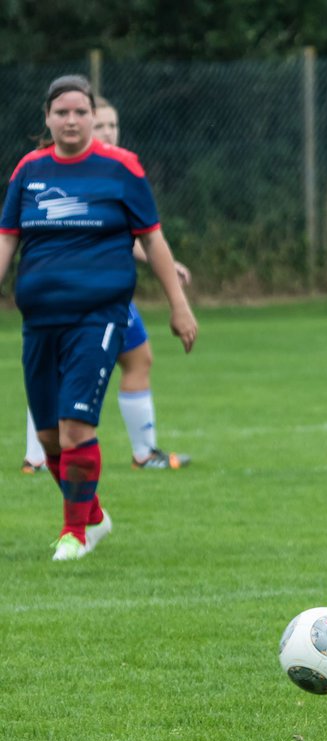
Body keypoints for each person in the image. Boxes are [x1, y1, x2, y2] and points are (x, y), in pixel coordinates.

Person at [0, 75, 197, 560]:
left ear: (93, 116)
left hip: (99, 315)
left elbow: (152, 239)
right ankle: (93, 516)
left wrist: (179, 304)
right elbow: (7, 238)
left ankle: (75, 533)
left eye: (80, 112)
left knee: (75, 428)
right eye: (61, 112)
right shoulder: (28, 170)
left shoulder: (121, 169)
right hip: (40, 319)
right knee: (48, 437)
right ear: (47, 118)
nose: (71, 120)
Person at [21, 95, 193, 474]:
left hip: (106, 296)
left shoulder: (120, 168)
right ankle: (43, 456)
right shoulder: (56, 171)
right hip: (76, 297)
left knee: (137, 358)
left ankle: (138, 454)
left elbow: (134, 233)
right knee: (62, 376)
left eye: (111, 125)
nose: (108, 133)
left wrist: (167, 269)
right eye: (102, 127)